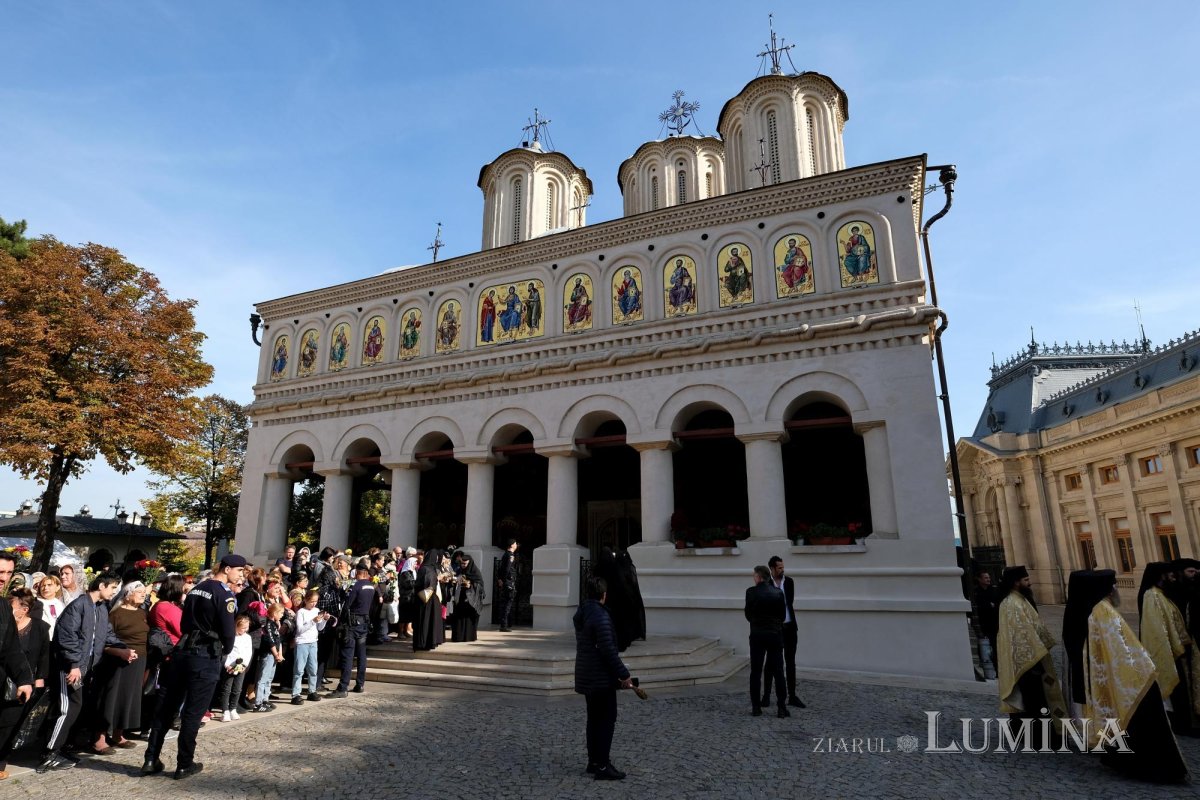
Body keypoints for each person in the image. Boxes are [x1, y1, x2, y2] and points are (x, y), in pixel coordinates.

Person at [1063, 569, 1188, 783]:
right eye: (1113, 585)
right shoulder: (1104, 612)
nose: (1116, 588)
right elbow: (1121, 648)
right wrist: (1144, 668)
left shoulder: (1098, 610)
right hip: (1127, 678)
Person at [141, 553, 246, 780]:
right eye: (239, 570)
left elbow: (183, 621)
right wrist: (225, 650)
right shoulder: (224, 594)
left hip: (182, 651)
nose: (241, 575)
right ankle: (184, 764)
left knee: (166, 708)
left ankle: (150, 759)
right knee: (193, 713)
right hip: (205, 654)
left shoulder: (197, 588)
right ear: (227, 569)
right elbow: (228, 632)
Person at [37, 572, 125, 773]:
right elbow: (67, 637)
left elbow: (105, 634)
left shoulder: (101, 607)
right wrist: (74, 664)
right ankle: (49, 752)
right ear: (101, 586)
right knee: (67, 708)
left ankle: (61, 747)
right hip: (69, 667)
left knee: (76, 707)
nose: (114, 592)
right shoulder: (78, 606)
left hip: (85, 667)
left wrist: (123, 648)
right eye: (112, 587)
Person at [995, 566, 1065, 748]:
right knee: (1033, 703)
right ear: (1016, 582)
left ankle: (1046, 737)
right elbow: (1020, 635)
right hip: (1027, 664)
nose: (1029, 583)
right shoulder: (1011, 604)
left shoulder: (1021, 600)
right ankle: (1038, 739)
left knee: (1040, 701)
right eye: (1025, 580)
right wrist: (1035, 655)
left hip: (1034, 659)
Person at [573, 576, 633, 781]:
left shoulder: (583, 613)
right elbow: (608, 650)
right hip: (600, 677)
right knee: (606, 719)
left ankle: (593, 762)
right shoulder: (601, 616)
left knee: (594, 719)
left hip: (587, 673)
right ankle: (603, 764)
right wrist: (624, 674)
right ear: (604, 595)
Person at [1138, 562, 1196, 734]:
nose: (1173, 576)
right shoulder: (1152, 596)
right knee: (1176, 692)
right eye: (1169, 573)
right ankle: (1181, 725)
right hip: (1168, 651)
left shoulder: (1161, 594)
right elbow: (1156, 629)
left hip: (1175, 650)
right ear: (1160, 576)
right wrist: (1172, 647)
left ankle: (1185, 723)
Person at [92, 580, 149, 753]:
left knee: (128, 698)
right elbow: (103, 642)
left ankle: (118, 734)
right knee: (111, 698)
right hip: (118, 661)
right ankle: (99, 738)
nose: (143, 594)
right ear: (128, 595)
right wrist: (120, 652)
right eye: (139, 591)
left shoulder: (142, 612)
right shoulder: (116, 614)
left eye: (144, 591)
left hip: (138, 662)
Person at [0, 589, 46, 779]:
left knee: (6, 723)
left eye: (8, 574)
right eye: (1, 573)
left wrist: (26, 679)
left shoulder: (3, 607)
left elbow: (12, 649)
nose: (4, 578)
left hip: (8, 680)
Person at [745, 565, 788, 718]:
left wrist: (757, 622)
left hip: (757, 634)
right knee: (778, 671)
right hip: (774, 634)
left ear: (759, 577)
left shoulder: (751, 592)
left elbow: (748, 615)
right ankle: (781, 707)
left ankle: (756, 707)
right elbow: (782, 616)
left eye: (754, 575)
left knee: (755, 672)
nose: (753, 578)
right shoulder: (778, 592)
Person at [761, 556, 804, 709]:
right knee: (771, 663)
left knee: (791, 662)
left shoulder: (789, 582)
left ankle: (792, 696)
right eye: (779, 568)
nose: (782, 570)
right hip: (774, 629)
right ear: (772, 568)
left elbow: (789, 603)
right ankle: (766, 696)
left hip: (790, 627)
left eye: (783, 567)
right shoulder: (766, 584)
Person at [331, 566, 375, 697]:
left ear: (358, 573)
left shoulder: (356, 586)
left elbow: (347, 605)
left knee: (348, 655)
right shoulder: (371, 586)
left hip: (352, 624)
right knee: (362, 655)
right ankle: (360, 684)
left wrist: (341, 621)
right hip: (364, 623)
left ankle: (343, 687)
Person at [215, 615, 252, 722]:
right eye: (243, 628)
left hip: (241, 667)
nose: (245, 630)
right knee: (226, 688)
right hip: (229, 666)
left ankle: (233, 708)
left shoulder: (247, 638)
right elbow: (225, 651)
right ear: (236, 626)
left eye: (247, 627)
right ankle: (225, 711)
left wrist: (244, 665)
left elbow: (248, 652)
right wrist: (226, 664)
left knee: (237, 689)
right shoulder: (230, 637)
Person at [413, 549, 444, 650]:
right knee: (425, 620)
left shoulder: (429, 568)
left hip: (430, 598)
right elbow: (427, 583)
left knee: (430, 620)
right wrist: (437, 579)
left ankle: (430, 641)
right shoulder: (426, 568)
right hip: (426, 598)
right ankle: (424, 643)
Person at [450, 552, 485, 642]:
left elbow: (480, 585)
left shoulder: (475, 572)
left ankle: (469, 637)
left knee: (469, 618)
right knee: (458, 617)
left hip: (470, 599)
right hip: (460, 598)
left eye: (465, 564)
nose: (463, 565)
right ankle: (458, 637)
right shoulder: (459, 570)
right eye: (462, 563)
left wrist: (471, 585)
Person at [973, 570, 1001, 673]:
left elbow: (996, 604)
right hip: (984, 624)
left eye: (988, 577)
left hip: (994, 623)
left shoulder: (993, 590)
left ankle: (997, 668)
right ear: (979, 579)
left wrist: (991, 605)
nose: (988, 579)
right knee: (985, 647)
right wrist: (989, 605)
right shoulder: (976, 592)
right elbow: (980, 606)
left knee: (995, 646)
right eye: (985, 578)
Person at [496, 540, 519, 632]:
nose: (516, 545)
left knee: (505, 603)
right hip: (509, 582)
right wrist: (504, 580)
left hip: (506, 581)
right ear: (512, 545)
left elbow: (500, 568)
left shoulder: (505, 554)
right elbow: (507, 569)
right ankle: (504, 625)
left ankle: (507, 623)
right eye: (515, 543)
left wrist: (500, 579)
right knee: (507, 604)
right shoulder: (510, 555)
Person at [36, 574, 66, 639]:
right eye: (43, 586)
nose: (45, 588)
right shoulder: (35, 603)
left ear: (57, 587)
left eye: (49, 585)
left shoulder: (61, 605)